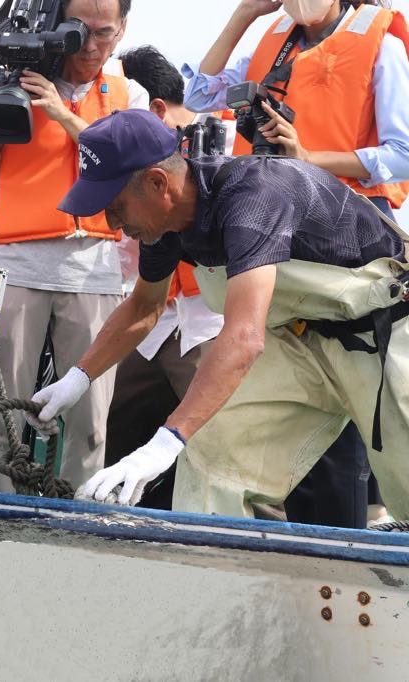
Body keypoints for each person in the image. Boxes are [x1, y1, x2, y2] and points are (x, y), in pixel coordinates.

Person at [31, 108, 409, 521]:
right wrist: (77, 378)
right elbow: (144, 306)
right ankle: (216, 580)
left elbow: (244, 337)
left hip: (387, 334)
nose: (113, 223)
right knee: (212, 460)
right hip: (303, 342)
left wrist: (164, 442)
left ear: (159, 183)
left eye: (116, 206)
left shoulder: (253, 198)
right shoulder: (167, 223)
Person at [183, 0, 409, 527]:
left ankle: (344, 535)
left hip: (350, 235)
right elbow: (198, 94)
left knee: (353, 393)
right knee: (282, 377)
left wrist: (309, 158)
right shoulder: (273, 40)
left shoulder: (383, 44)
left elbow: (402, 151)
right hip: (278, 225)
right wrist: (243, 16)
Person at [0, 0, 147, 493]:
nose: (90, 46)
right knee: (2, 422)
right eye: (79, 31)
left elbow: (130, 171)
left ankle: (81, 528)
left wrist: (63, 115)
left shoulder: (129, 93)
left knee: (90, 423)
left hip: (94, 270)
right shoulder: (17, 82)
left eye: (104, 34)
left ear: (123, 29)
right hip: (18, 267)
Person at [98, 45, 232, 509]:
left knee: (224, 450)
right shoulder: (143, 171)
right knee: (122, 427)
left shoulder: (229, 149)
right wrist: (76, 379)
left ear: (153, 109)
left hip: (212, 321)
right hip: (158, 318)